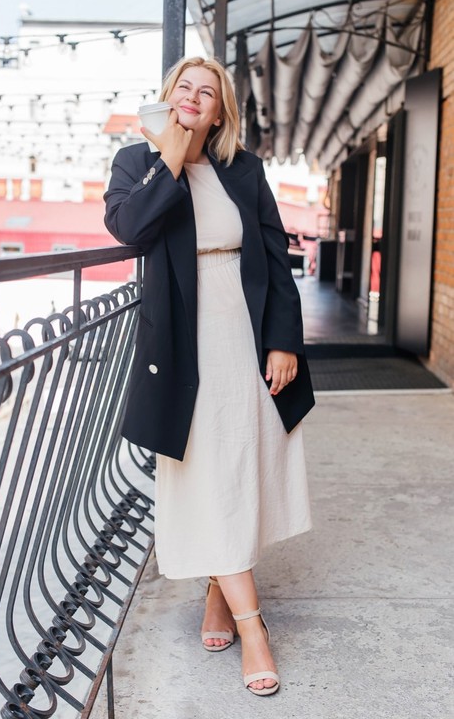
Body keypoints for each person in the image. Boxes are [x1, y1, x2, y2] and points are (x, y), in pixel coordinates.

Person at [104, 56, 314, 697]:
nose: (195, 97)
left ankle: (220, 597)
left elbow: (276, 256)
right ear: (169, 97)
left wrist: (283, 341)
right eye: (184, 88)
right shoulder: (136, 164)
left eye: (208, 92)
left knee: (243, 468)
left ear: (222, 110)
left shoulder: (243, 169)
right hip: (184, 342)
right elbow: (130, 228)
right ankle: (253, 627)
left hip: (244, 330)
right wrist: (171, 152)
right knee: (206, 470)